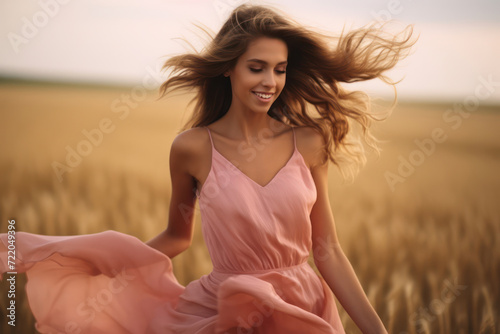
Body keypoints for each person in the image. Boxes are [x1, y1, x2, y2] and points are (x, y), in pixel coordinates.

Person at [0, 4, 416, 334]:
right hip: (229, 307)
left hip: (302, 307)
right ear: (227, 67)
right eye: (257, 67)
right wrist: (107, 264)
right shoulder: (192, 148)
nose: (270, 80)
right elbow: (178, 236)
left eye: (280, 69)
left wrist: (377, 331)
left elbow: (327, 250)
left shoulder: (308, 142)